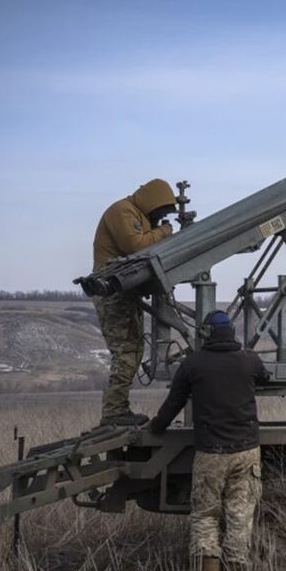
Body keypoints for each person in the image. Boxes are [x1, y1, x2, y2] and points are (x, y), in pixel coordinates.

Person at [149, 310, 271, 571]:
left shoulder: (193, 364)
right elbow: (266, 377)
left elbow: (173, 404)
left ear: (206, 334)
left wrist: (156, 427)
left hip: (210, 454)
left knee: (205, 515)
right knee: (240, 514)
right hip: (246, 451)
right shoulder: (249, 360)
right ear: (231, 331)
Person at [92, 179, 176, 426]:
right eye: (159, 211)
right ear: (152, 202)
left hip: (124, 293)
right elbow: (135, 246)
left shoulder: (136, 214)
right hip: (112, 293)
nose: (159, 217)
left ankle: (118, 409)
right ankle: (114, 412)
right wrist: (164, 232)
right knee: (126, 351)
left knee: (134, 349)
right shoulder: (123, 210)